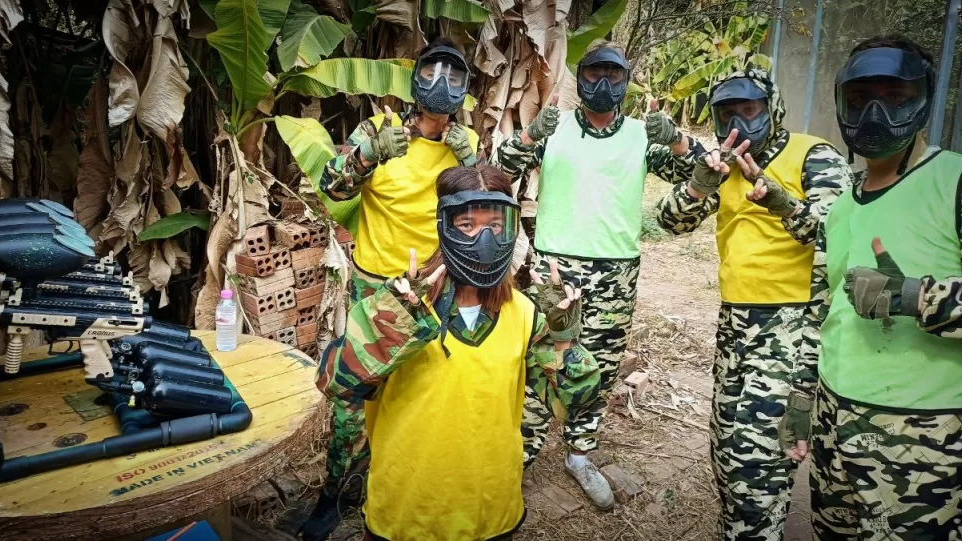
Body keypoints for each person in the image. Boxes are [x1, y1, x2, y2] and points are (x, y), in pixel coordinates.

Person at [315, 165, 601, 540]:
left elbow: (572, 404)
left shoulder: (524, 314)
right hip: (406, 509)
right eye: (467, 225)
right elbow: (335, 383)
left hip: (489, 508)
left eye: (495, 227)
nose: (483, 239)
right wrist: (392, 322)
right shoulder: (400, 306)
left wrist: (564, 336)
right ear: (444, 226)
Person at [778, 35, 962, 539]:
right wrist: (804, 400)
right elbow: (828, 312)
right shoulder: (845, 204)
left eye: (894, 97)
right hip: (835, 424)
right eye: (860, 99)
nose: (875, 113)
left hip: (924, 442)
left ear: (923, 99)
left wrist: (919, 297)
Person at [493, 40, 705, 509]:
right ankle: (518, 456)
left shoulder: (639, 135)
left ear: (625, 81)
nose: (603, 85)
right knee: (540, 362)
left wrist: (675, 137)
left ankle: (580, 454)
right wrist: (530, 135)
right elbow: (498, 171)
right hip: (555, 267)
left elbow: (702, 171)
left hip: (616, 271)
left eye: (612, 75)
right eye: (593, 75)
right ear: (580, 80)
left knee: (602, 366)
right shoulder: (554, 129)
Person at [656, 68, 852, 539]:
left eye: (751, 110)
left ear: (772, 108)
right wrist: (699, 183)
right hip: (736, 323)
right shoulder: (724, 161)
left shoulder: (813, 155)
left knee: (755, 461)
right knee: (726, 449)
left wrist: (784, 204)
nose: (740, 122)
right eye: (728, 114)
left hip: (792, 326)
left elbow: (839, 233)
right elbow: (670, 222)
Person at [302, 38, 480, 539]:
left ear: (463, 87)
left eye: (452, 73)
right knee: (353, 396)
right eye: (432, 71)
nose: (440, 83)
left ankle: (410, 487)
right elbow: (333, 187)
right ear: (416, 77)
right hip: (371, 286)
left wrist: (474, 166)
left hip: (432, 284)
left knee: (421, 394)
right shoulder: (377, 130)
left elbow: (478, 214)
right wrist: (368, 155)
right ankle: (339, 494)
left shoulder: (463, 144)